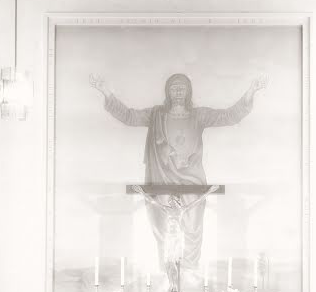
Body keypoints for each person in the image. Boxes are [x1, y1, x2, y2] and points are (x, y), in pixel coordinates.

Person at [90, 72, 267, 270]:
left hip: (192, 182)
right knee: (164, 230)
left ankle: (190, 272)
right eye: (174, 87)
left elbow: (229, 116)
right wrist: (105, 90)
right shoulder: (156, 114)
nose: (178, 91)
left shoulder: (199, 115)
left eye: (182, 87)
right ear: (168, 91)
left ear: (188, 91)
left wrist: (251, 91)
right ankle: (168, 275)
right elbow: (129, 116)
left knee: (193, 229)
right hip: (161, 180)